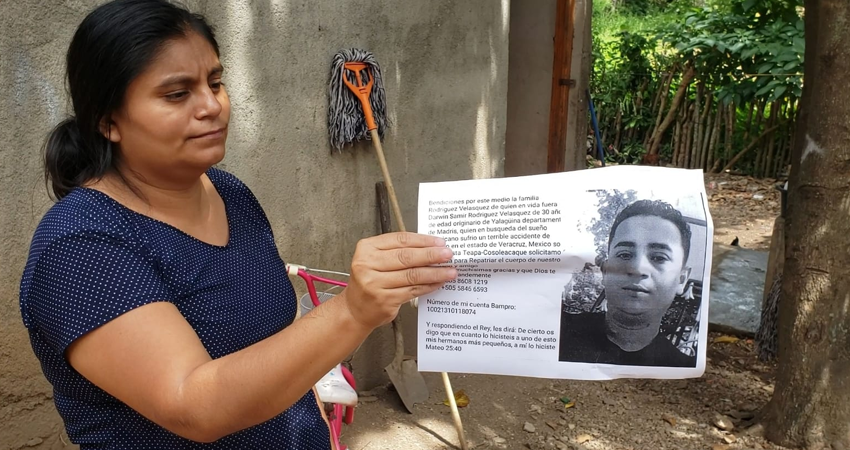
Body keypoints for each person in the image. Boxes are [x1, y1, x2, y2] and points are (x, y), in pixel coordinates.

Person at [18, 1, 457, 448]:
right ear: (107, 121)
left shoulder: (228, 193)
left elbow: (271, 333)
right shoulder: (82, 244)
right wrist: (351, 311)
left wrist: (310, 389)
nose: (212, 106)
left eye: (215, 82)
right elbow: (193, 406)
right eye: (177, 93)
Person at [558, 199, 697, 367]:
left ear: (681, 279)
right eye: (625, 255)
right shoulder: (557, 332)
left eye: (659, 257)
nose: (638, 269)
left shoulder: (682, 369)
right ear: (606, 270)